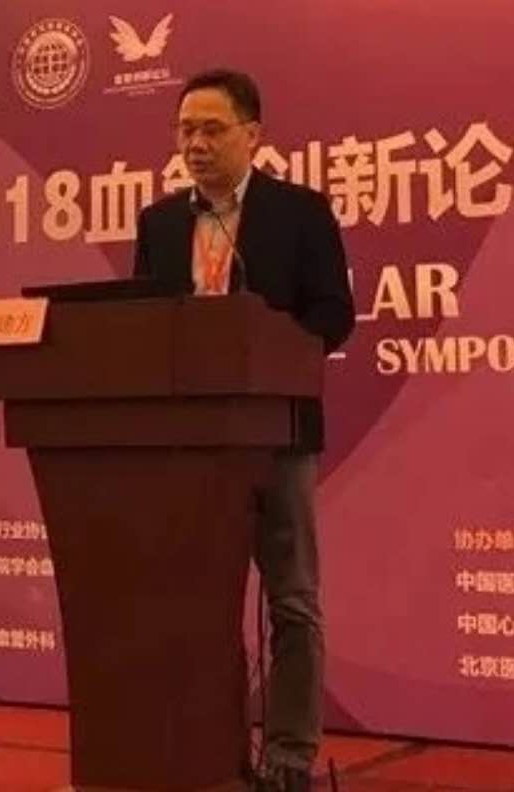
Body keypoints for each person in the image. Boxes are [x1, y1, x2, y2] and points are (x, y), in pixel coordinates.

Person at [132, 69, 354, 792]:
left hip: (278, 433)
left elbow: (334, 316)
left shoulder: (300, 213)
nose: (195, 144)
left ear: (252, 135)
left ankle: (289, 757)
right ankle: (211, 749)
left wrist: (267, 349)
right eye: (185, 130)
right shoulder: (160, 224)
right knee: (200, 605)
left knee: (292, 600)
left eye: (212, 129)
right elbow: (143, 326)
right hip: (190, 445)